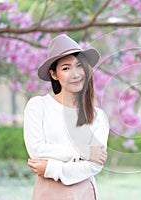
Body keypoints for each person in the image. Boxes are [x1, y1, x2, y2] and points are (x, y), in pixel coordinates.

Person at [23, 34, 109, 200]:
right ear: (54, 74)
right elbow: (37, 150)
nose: (75, 74)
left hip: (83, 191)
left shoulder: (98, 116)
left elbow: (95, 163)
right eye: (66, 68)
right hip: (47, 191)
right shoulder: (38, 106)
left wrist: (52, 168)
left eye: (79, 66)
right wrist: (85, 151)